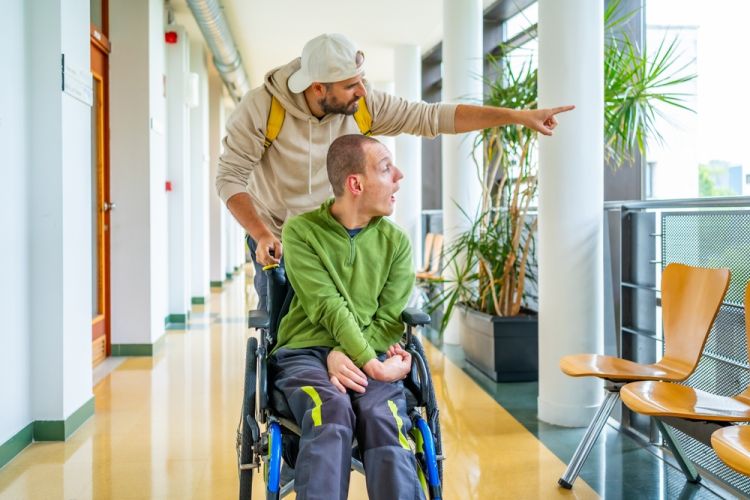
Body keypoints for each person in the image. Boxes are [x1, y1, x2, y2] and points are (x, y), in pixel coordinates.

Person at [215, 32, 573, 309]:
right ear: (318, 87)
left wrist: (515, 117)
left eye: (362, 79)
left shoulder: (364, 104)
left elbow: (433, 116)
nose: (362, 90)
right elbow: (230, 177)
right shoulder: (262, 109)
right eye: (350, 85)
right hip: (279, 236)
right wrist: (262, 234)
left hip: (341, 237)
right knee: (283, 332)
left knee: (351, 321)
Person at [270, 134, 421, 499]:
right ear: (356, 183)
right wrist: (368, 360)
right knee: (330, 412)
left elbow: (389, 319)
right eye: (386, 168)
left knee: (384, 418)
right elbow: (326, 305)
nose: (398, 176)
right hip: (304, 354)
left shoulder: (396, 242)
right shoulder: (301, 232)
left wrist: (349, 355)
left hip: (374, 352)